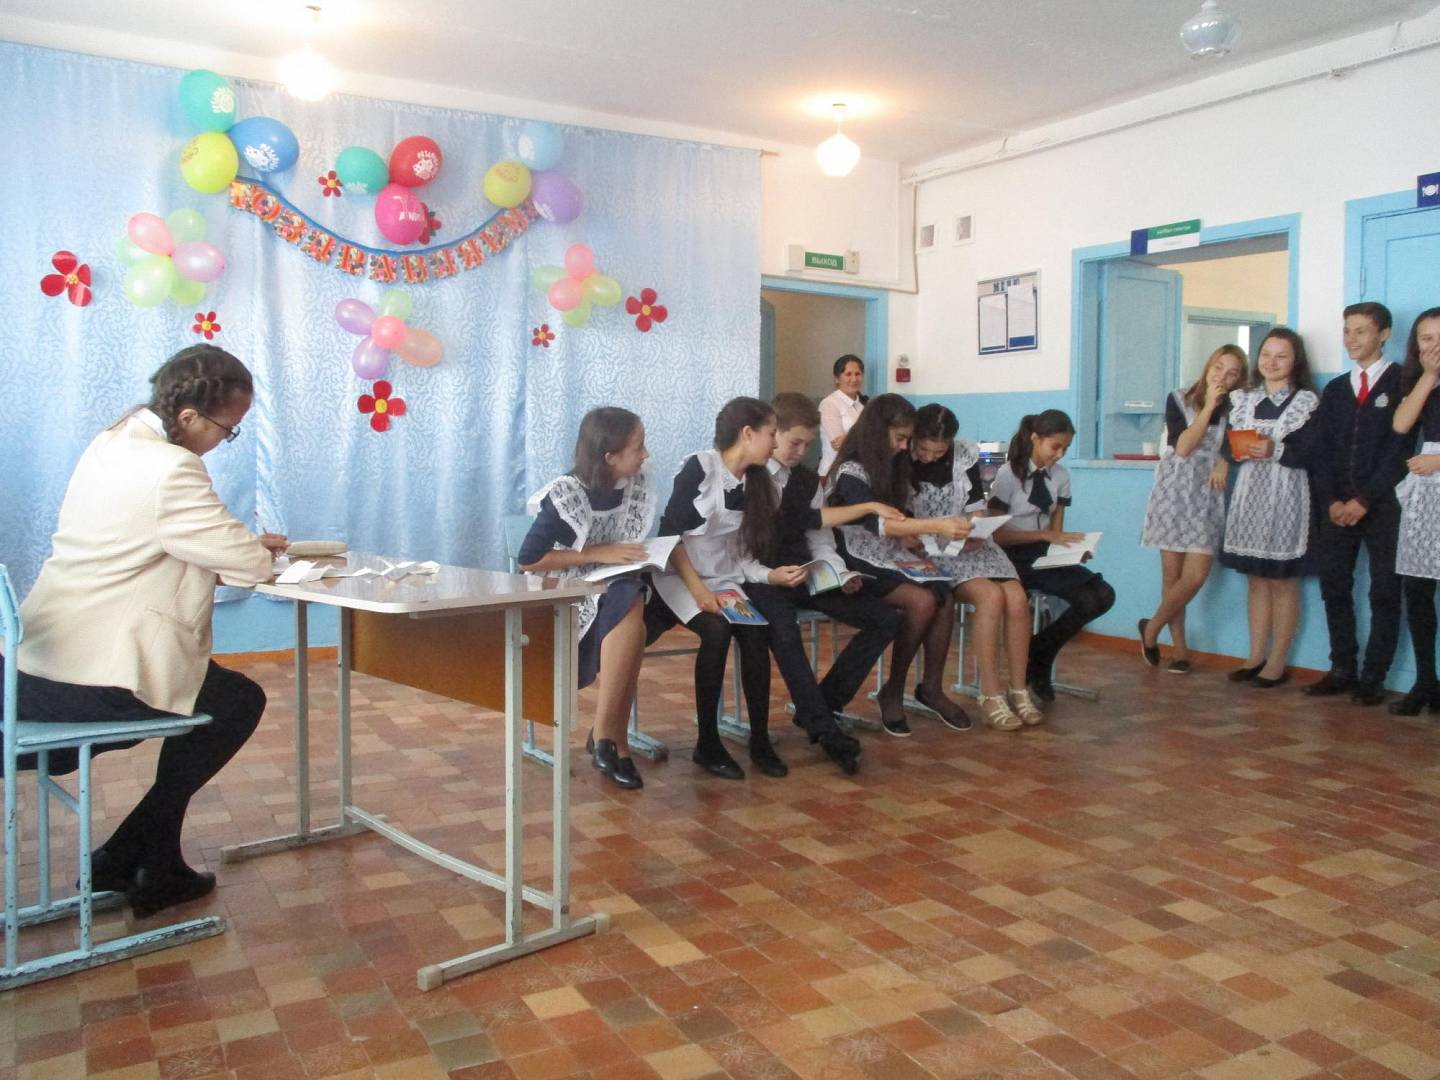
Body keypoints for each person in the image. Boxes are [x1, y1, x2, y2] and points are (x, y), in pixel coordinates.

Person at [7, 345, 285, 918]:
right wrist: (247, 548)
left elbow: (157, 535)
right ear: (188, 416)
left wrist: (225, 545)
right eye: (226, 430)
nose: (223, 441)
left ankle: (143, 857)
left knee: (221, 696)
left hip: (39, 658)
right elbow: (249, 564)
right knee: (235, 703)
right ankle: (139, 855)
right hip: (91, 675)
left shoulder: (113, 440)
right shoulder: (172, 468)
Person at [744, 393, 903, 774]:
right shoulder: (750, 476)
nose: (800, 452)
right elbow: (740, 549)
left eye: (807, 444)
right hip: (760, 576)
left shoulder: (805, 479)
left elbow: (818, 536)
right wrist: (771, 574)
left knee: (884, 618)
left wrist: (837, 572)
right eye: (794, 442)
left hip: (804, 569)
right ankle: (826, 731)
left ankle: (823, 703)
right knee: (785, 633)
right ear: (773, 433)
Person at [645, 397, 785, 780]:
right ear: (748, 434)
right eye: (772, 434)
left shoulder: (760, 483)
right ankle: (707, 743)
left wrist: (771, 576)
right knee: (717, 631)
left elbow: (742, 555)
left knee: (756, 633)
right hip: (679, 576)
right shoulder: (700, 468)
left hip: (723, 580)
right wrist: (699, 592)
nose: (776, 443)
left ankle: (759, 740)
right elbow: (670, 537)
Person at [518, 408, 654, 790]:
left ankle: (609, 738)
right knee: (633, 610)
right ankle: (611, 738)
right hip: (563, 589)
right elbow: (529, 560)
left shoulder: (633, 484)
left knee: (633, 599)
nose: (645, 454)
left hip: (609, 583)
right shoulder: (568, 493)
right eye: (638, 446)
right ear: (609, 456)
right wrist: (597, 553)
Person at [826, 394, 975, 736]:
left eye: (908, 439)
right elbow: (878, 523)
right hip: (854, 555)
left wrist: (913, 537)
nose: (905, 446)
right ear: (877, 432)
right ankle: (893, 690)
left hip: (888, 551)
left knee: (944, 594)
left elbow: (898, 518)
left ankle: (932, 688)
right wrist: (936, 526)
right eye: (900, 438)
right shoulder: (851, 470)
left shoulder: (892, 463)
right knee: (921, 601)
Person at [1303, 302, 1409, 705]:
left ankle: (1374, 677)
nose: (1351, 339)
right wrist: (1331, 500)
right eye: (1347, 330)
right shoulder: (1335, 389)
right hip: (1336, 506)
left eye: (1361, 331)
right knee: (1334, 586)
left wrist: (1365, 499)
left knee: (1384, 590)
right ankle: (1342, 668)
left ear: (1384, 334)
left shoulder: (1402, 382)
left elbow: (1399, 452)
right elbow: (1322, 450)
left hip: (1383, 506)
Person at [910, 404, 1039, 730]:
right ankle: (990, 693)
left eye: (939, 451)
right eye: (924, 449)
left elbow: (977, 507)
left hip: (970, 544)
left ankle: (1019, 689)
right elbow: (902, 521)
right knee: (991, 596)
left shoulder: (966, 454)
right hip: (930, 547)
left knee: (1017, 598)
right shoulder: (902, 459)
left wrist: (976, 527)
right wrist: (940, 531)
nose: (930, 457)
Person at [1217, 329, 1320, 687]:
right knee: (1256, 580)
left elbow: (1314, 453)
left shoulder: (1306, 402)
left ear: (1295, 361)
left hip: (1288, 496)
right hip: (1249, 497)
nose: (1271, 362)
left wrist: (1276, 450)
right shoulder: (1244, 399)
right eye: (1266, 355)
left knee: (1282, 581)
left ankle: (1277, 661)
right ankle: (1255, 655)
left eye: (1281, 356)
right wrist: (1238, 449)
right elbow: (1228, 448)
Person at [991, 410, 1115, 703]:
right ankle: (1038, 661)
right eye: (1055, 446)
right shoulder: (1007, 475)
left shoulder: (1060, 476)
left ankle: (1040, 649)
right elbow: (996, 535)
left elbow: (1057, 528)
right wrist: (1045, 536)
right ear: (1036, 438)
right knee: (1081, 597)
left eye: (1066, 448)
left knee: (1101, 595)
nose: (1059, 454)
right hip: (1011, 556)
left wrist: (1071, 551)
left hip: (1044, 554)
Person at [1138, 346, 1246, 673]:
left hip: (1207, 493)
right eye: (1218, 367)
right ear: (1208, 366)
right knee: (1171, 577)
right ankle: (1180, 649)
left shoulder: (1238, 406)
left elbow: (1238, 444)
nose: (1223, 377)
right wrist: (1209, 405)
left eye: (1232, 373)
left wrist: (1225, 461)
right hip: (1173, 489)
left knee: (1195, 575)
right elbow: (1183, 446)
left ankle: (1151, 628)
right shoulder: (1178, 398)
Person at [1389, 307, 1440, 716]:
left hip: (1434, 468)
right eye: (1426, 338)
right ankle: (1426, 682)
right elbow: (1402, 424)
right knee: (1418, 590)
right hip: (1427, 493)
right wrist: (1429, 376)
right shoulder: (1422, 381)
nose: (1435, 345)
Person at [819, 354, 867, 476]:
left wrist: (850, 439)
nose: (854, 379)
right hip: (833, 472)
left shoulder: (863, 406)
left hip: (859, 471)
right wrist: (866, 439)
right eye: (848, 374)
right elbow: (839, 445)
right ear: (837, 378)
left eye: (857, 374)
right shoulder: (829, 404)